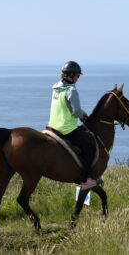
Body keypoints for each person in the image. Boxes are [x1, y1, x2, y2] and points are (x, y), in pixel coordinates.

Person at [47, 61, 97, 190]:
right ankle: (85, 180)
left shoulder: (56, 88)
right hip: (66, 129)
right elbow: (76, 111)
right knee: (90, 146)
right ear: (72, 75)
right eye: (78, 76)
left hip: (53, 126)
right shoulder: (71, 90)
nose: (78, 78)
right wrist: (85, 116)